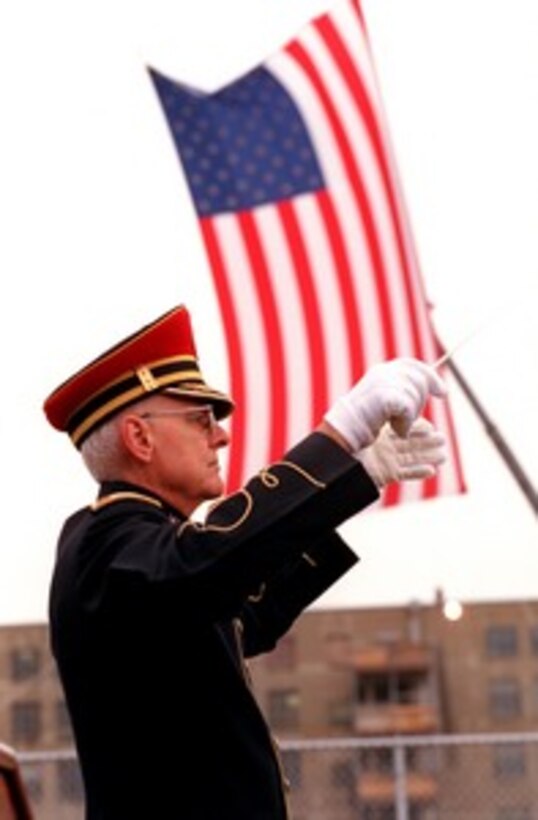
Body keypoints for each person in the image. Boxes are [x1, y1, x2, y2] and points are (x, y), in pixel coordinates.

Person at [44, 304, 447, 820]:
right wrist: (339, 436)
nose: (221, 435)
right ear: (139, 438)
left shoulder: (142, 553)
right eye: (200, 419)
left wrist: (356, 478)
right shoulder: (101, 544)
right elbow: (205, 564)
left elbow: (243, 613)